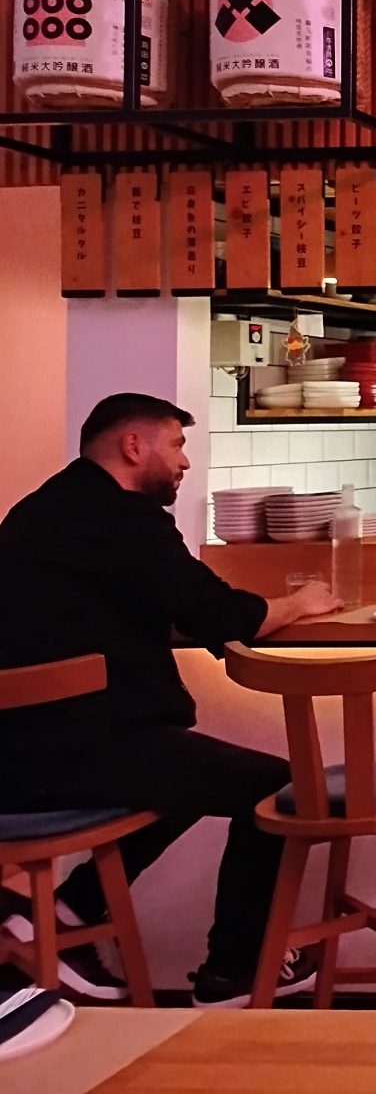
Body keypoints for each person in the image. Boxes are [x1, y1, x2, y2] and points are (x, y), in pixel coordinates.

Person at [0, 392, 346, 1008]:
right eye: (178, 444)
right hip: (68, 752)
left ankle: (66, 910)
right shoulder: (121, 518)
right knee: (278, 790)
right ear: (134, 445)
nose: (185, 461)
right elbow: (217, 614)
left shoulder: (45, 509)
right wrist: (300, 602)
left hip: (26, 748)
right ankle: (234, 971)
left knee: (188, 770)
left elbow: (155, 600)